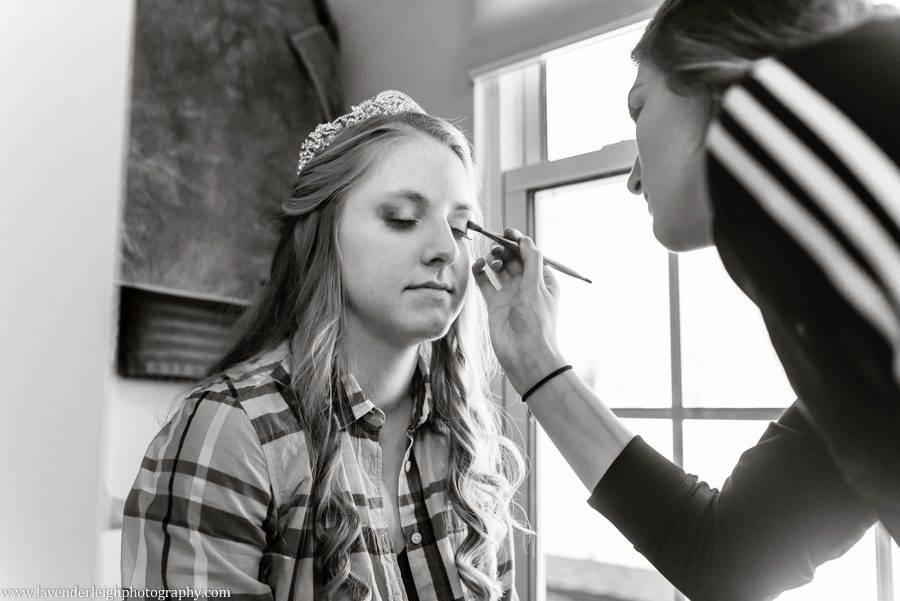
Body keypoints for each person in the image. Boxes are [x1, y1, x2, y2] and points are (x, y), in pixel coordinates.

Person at [472, 2, 900, 600]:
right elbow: (728, 555)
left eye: (639, 107)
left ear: (712, 67)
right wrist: (533, 361)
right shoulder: (846, 343)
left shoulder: (819, 107)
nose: (633, 178)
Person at [121, 91, 525, 601]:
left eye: (463, 228)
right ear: (322, 235)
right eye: (402, 217)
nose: (447, 248)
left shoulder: (466, 441)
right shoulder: (231, 431)